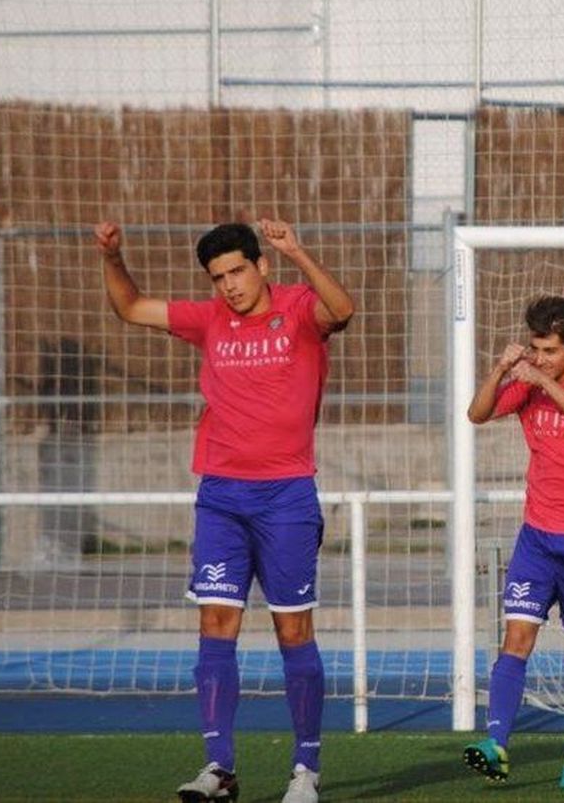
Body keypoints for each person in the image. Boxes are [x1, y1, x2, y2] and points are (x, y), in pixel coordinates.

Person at [94, 218, 354, 803]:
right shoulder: (209, 319)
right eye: (218, 277)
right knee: (215, 625)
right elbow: (132, 308)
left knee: (293, 629)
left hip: (286, 495)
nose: (230, 285)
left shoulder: (298, 307)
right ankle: (219, 769)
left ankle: (306, 772)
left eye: (238, 270)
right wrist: (112, 257)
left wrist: (298, 250)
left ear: (261, 266)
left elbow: (342, 308)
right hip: (220, 496)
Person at [461, 296, 564, 791]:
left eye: (551, 350)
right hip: (537, 536)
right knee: (516, 638)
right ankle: (496, 744)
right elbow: (477, 412)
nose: (541, 358)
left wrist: (545, 382)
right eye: (536, 348)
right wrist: (502, 370)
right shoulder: (530, 379)